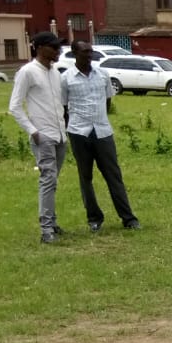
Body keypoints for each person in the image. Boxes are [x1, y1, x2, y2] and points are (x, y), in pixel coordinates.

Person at [64, 40, 140, 233]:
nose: (89, 55)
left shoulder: (103, 75)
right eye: (84, 52)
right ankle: (94, 218)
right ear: (75, 54)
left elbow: (107, 102)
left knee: (114, 176)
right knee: (85, 177)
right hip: (79, 132)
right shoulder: (66, 79)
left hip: (103, 132)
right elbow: (63, 107)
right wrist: (71, 128)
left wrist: (100, 120)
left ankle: (128, 218)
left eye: (91, 52)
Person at [10, 32, 70, 244]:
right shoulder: (27, 72)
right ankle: (46, 230)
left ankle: (52, 222)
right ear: (40, 48)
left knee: (53, 181)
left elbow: (59, 103)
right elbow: (14, 106)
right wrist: (33, 131)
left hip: (60, 135)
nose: (58, 51)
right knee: (47, 180)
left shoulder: (55, 72)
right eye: (54, 47)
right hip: (43, 135)